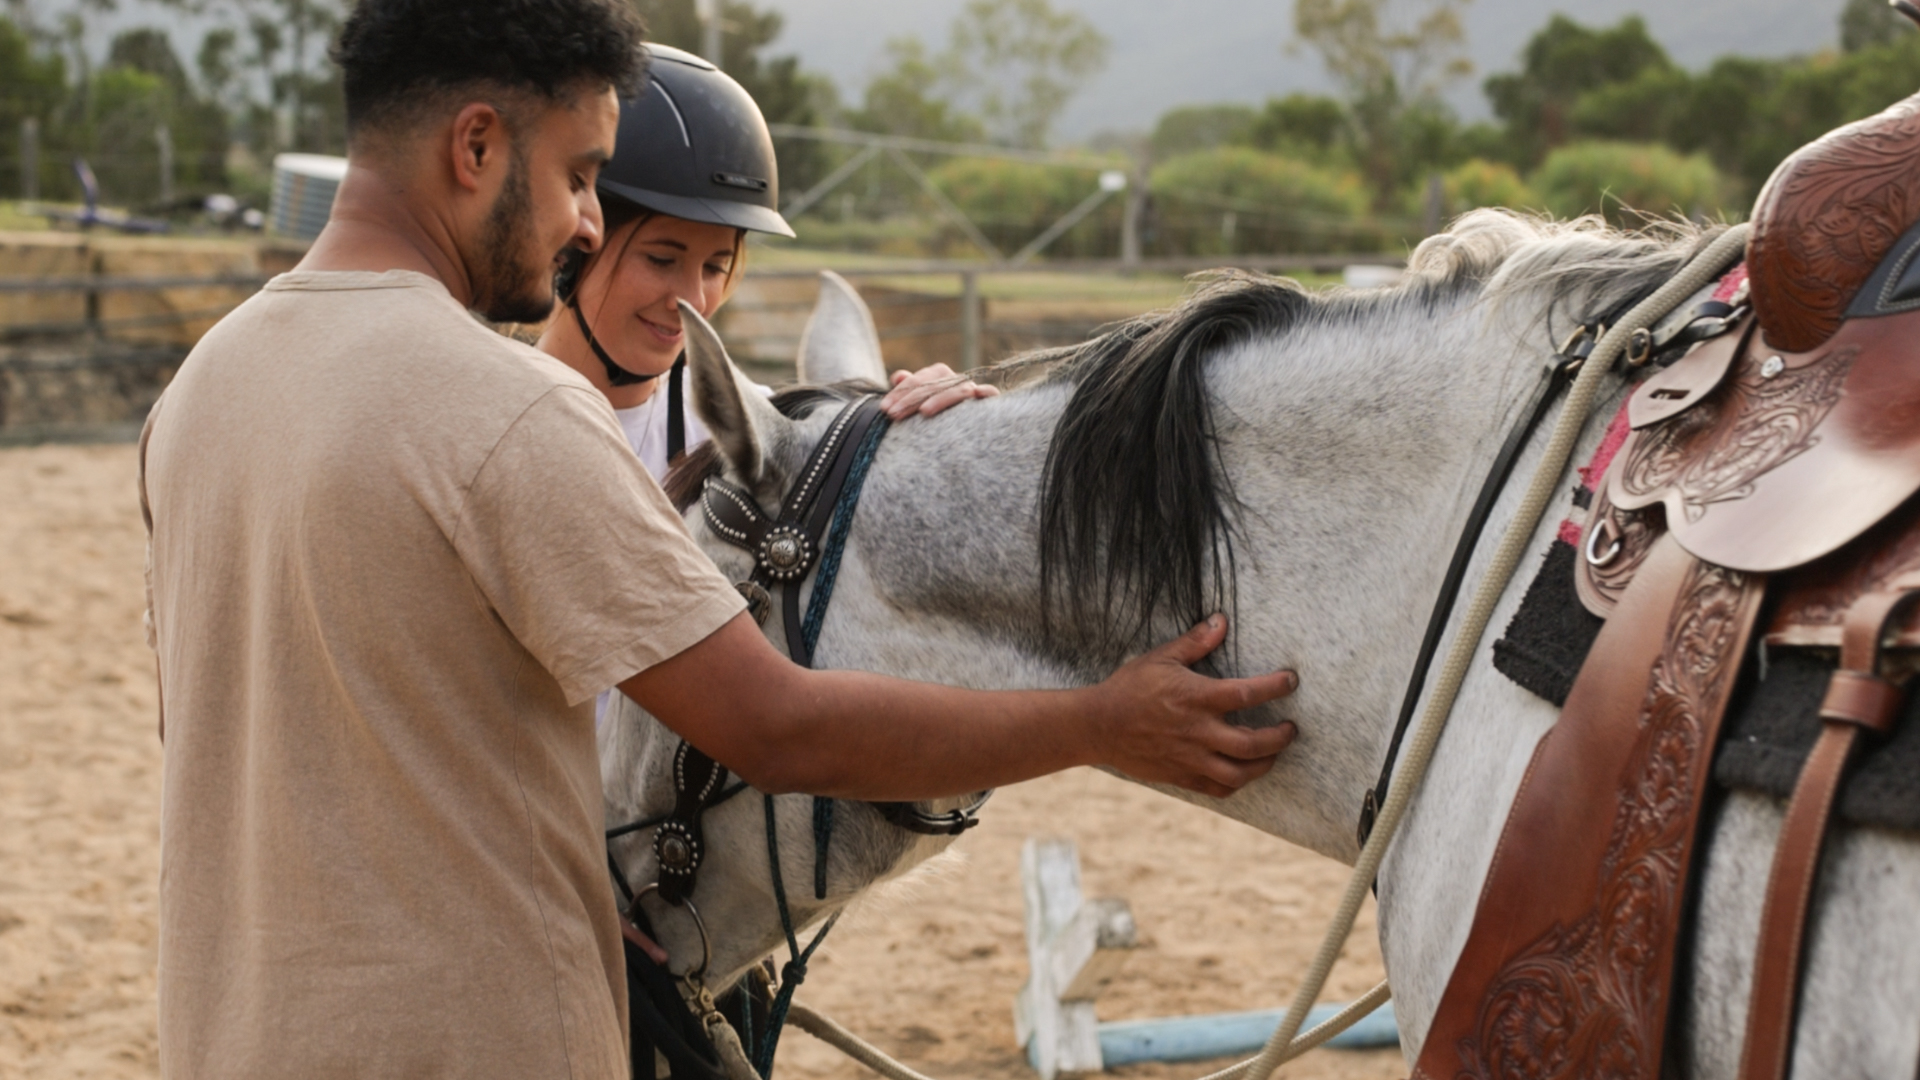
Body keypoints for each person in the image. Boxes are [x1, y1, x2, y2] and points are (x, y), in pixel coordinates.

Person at [138, 2, 1300, 1076]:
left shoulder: (201, 392)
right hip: (474, 1037)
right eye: (579, 175)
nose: (585, 218)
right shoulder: (509, 414)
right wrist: (1099, 724)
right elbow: (774, 725)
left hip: (240, 1031)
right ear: (477, 145)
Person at [537, 44, 996, 485]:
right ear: (575, 243)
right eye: (661, 259)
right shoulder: (506, 423)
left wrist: (929, 428)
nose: (694, 301)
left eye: (715, 268)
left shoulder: (754, 436)